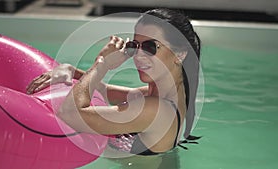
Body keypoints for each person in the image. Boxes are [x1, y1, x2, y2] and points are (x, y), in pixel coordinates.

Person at [27, 8, 201, 156]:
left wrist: (102, 64)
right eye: (134, 46)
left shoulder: (156, 109)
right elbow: (102, 90)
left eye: (150, 47)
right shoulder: (160, 97)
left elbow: (69, 114)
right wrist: (70, 70)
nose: (139, 56)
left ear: (179, 55)